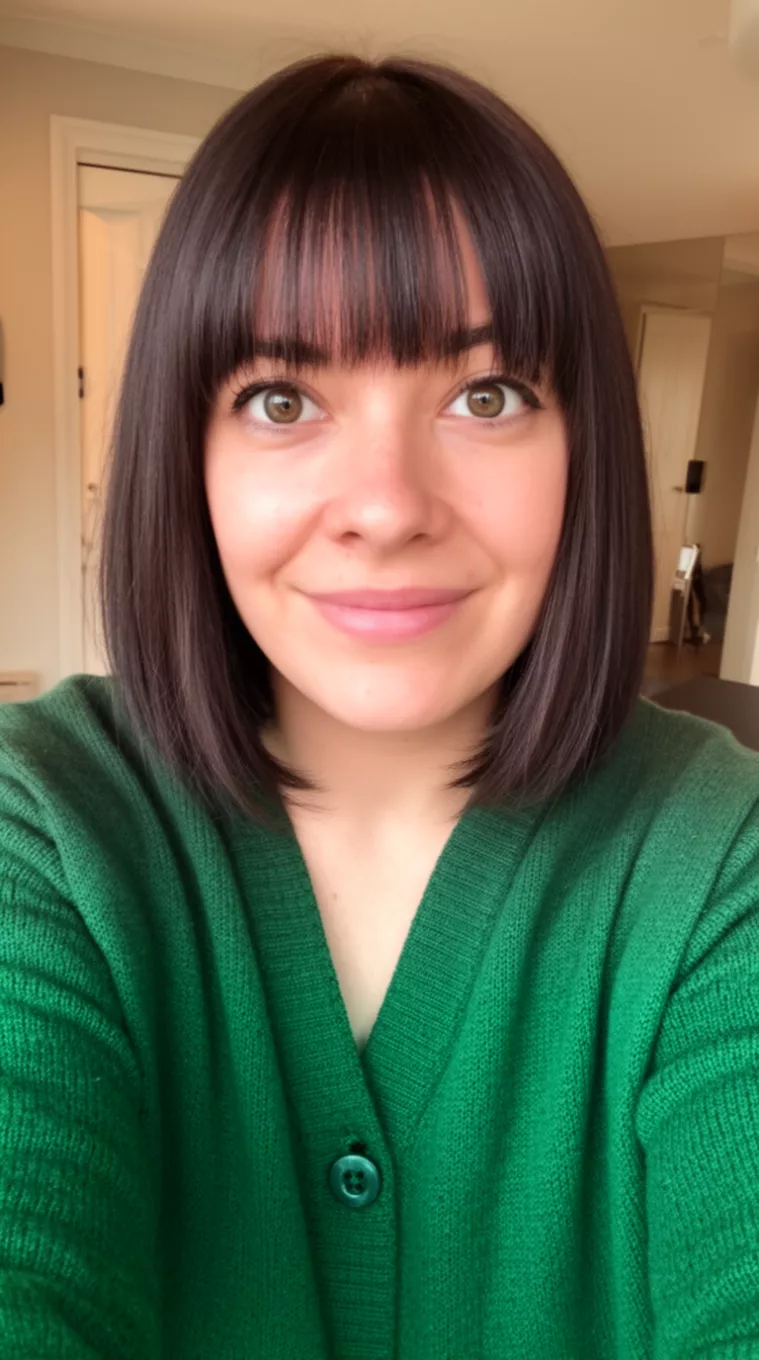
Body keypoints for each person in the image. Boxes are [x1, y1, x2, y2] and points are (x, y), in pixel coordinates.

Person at [1, 53, 758, 1360]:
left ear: (584, 448)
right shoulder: (49, 830)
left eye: (484, 395)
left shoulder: (714, 851)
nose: (388, 503)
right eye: (281, 400)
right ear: (186, 457)